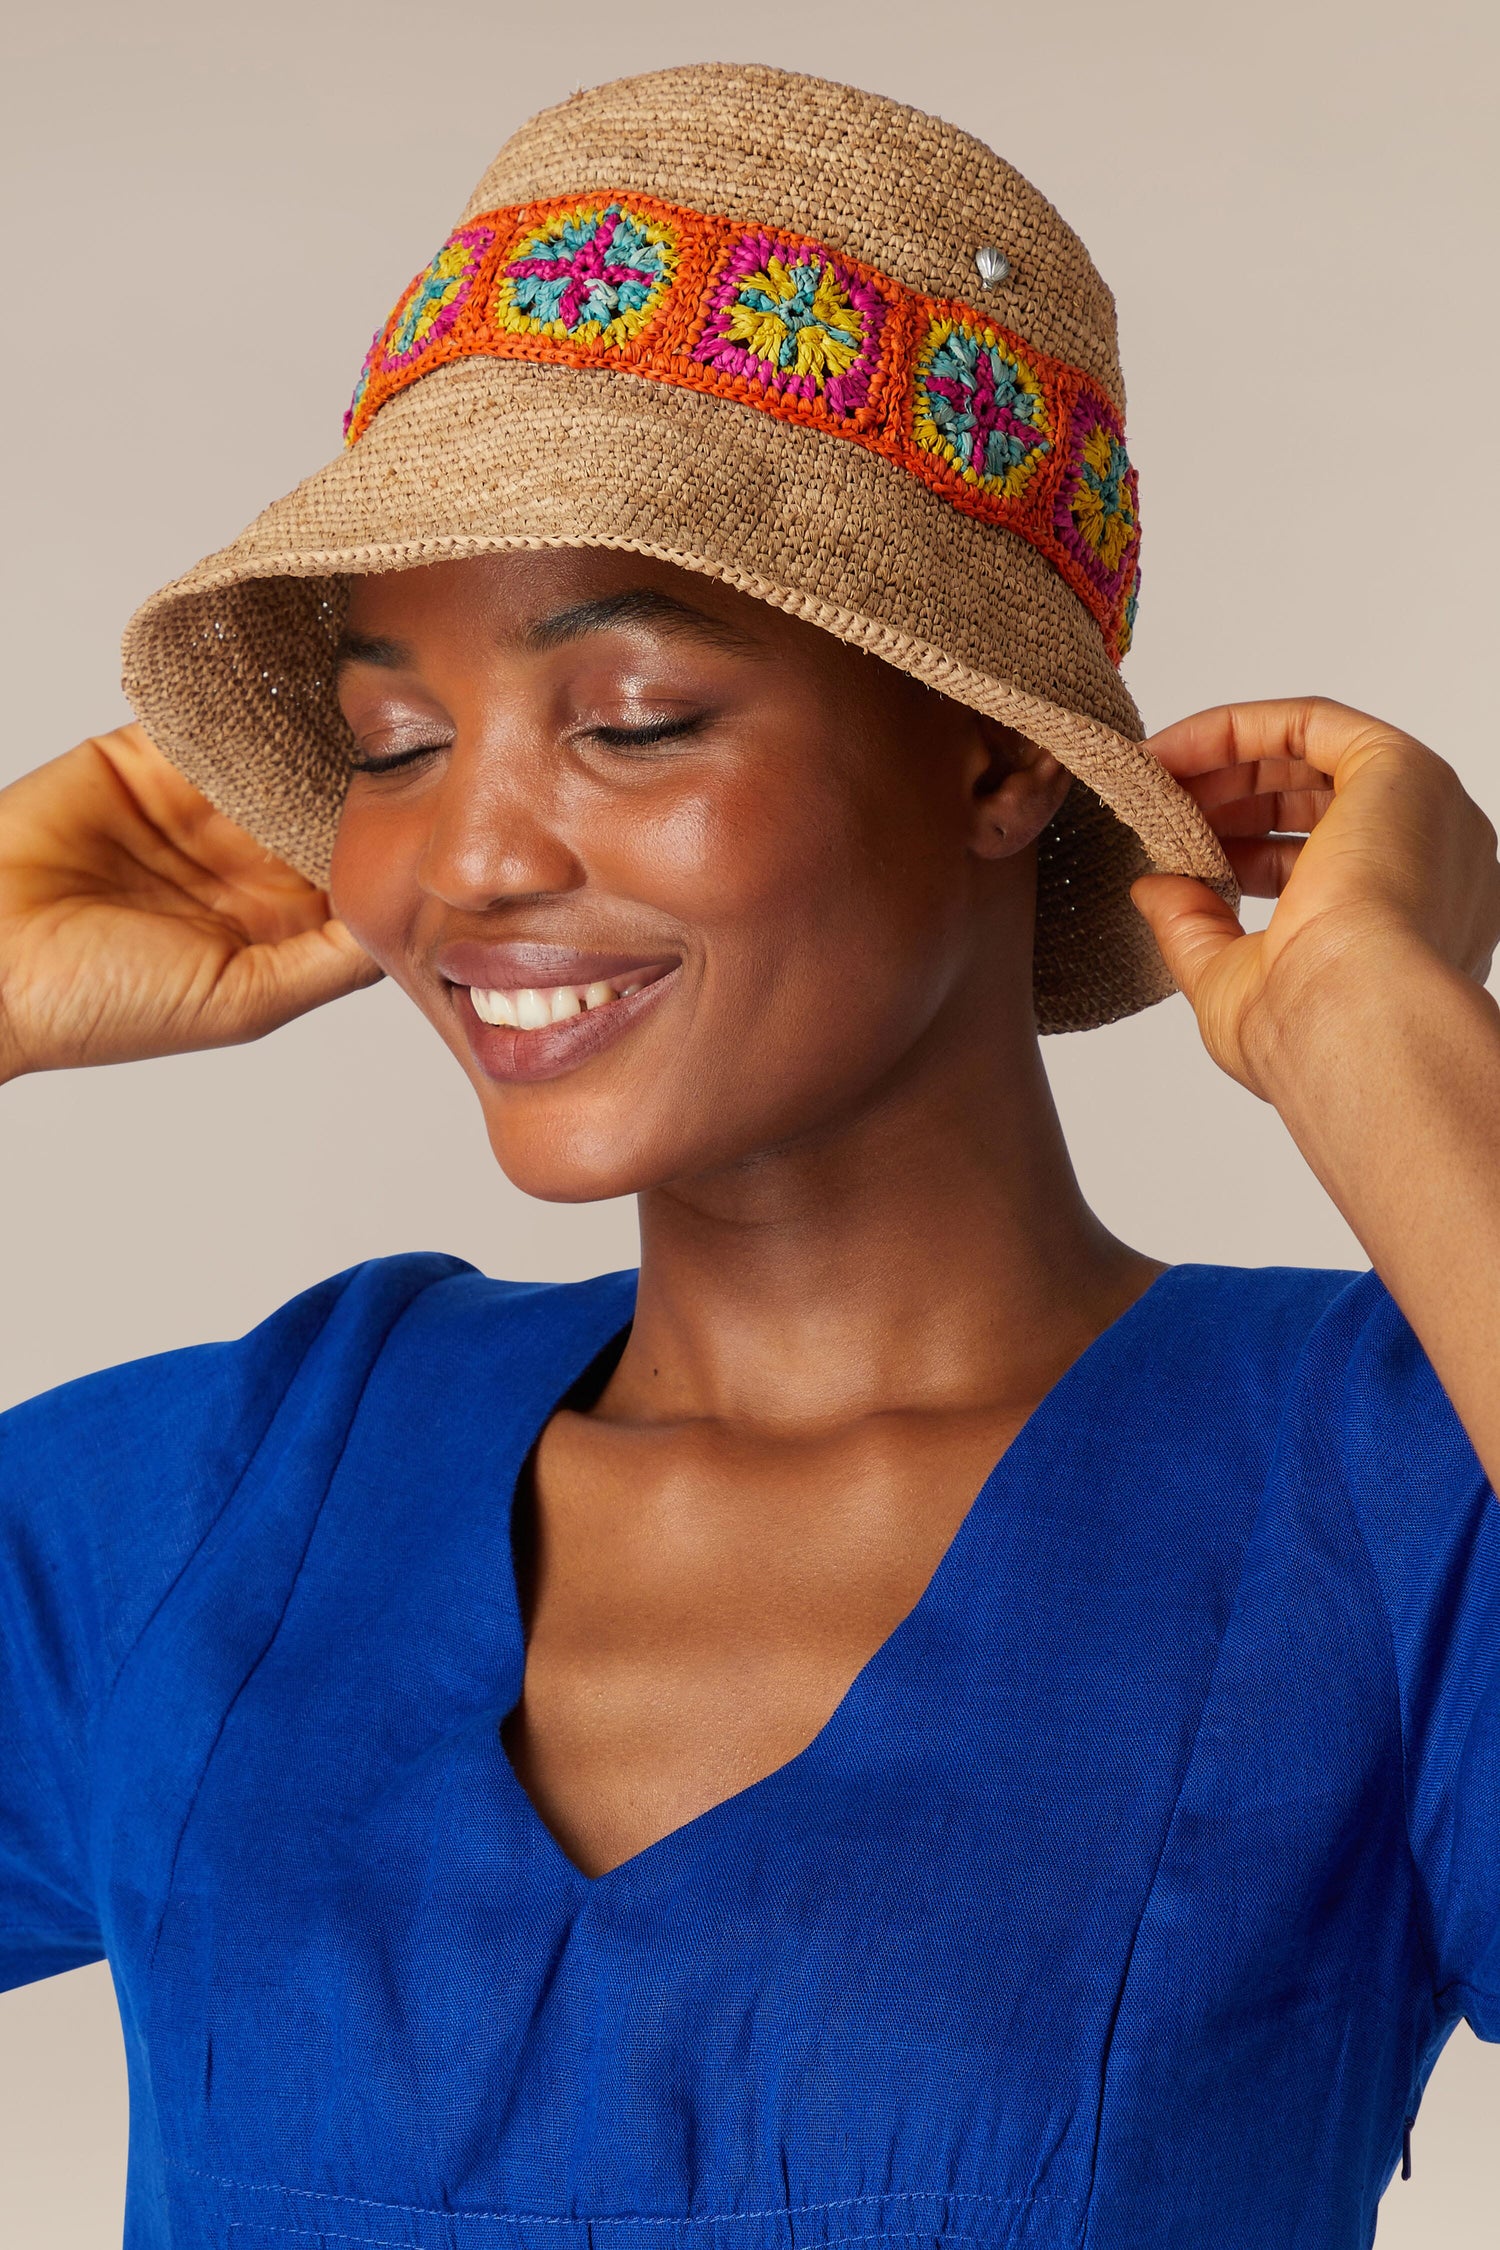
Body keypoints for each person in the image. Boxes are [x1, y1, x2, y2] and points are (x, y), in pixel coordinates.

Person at [2, 60, 1498, 2250]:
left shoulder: (1386, 1497)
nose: (466, 858)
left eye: (632, 719)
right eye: (387, 745)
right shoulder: (233, 1500)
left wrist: (1390, 1040)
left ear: (996, 762)